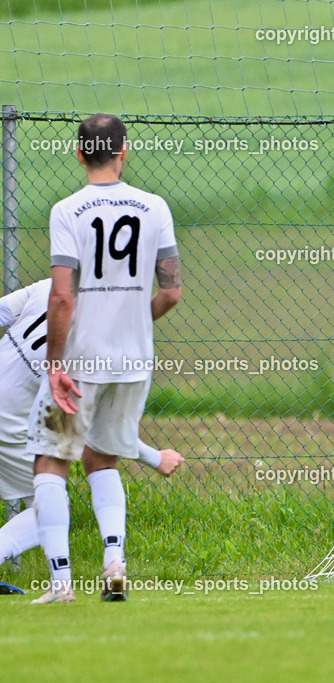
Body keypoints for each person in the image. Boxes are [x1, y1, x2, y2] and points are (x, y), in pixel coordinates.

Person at [28, 113, 183, 603]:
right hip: (135, 359)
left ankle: (60, 583)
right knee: (103, 458)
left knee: (52, 462)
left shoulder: (67, 211)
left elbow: (62, 298)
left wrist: (55, 363)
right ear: (123, 151)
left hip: (81, 360)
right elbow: (172, 292)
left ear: (79, 154)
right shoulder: (154, 206)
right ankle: (114, 563)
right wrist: (134, 323)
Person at [0, 278, 184, 579]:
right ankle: (108, 564)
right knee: (47, 507)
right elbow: (103, 435)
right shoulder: (103, 339)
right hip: (11, 424)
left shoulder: (51, 286)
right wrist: (156, 458)